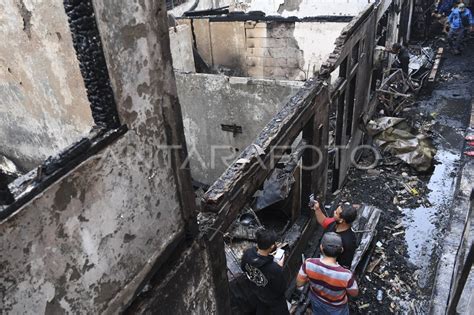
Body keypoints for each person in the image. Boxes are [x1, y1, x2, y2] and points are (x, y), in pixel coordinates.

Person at [296, 232, 359, 315]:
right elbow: (354, 293)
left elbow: (299, 283)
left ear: (321, 247)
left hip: (316, 300)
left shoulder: (308, 264)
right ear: (341, 250)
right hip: (336, 308)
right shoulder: (346, 275)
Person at [241, 228, 289, 315]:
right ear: (271, 246)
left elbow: (243, 268)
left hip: (259, 294)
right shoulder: (274, 268)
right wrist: (279, 267)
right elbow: (281, 289)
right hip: (275, 301)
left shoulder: (248, 254)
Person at [312, 201, 357, 270]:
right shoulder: (335, 223)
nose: (334, 212)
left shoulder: (348, 242)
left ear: (342, 220)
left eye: (336, 213)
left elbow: (345, 266)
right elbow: (324, 221)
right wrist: (317, 209)